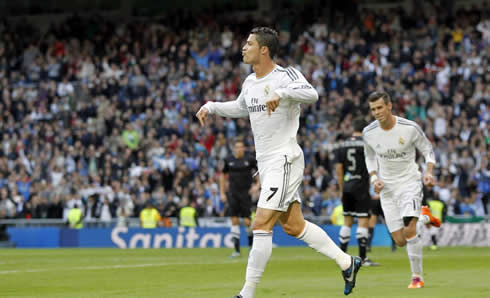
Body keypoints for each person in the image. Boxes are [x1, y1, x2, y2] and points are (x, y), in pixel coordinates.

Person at [196, 27, 361, 298]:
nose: (243, 47)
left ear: (264, 49)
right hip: (268, 163)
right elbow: (240, 108)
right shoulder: (250, 82)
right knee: (294, 225)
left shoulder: (286, 75)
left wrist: (282, 94)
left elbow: (312, 94)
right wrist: (212, 106)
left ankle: (246, 293)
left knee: (260, 224)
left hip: (284, 158)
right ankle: (347, 262)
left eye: (249, 43)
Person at [362, 91, 441, 289]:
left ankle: (417, 277)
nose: (377, 112)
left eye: (380, 107)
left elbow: (428, 150)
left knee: (410, 230)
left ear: (389, 106)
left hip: (409, 183)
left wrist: (429, 172)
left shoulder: (409, 128)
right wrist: (374, 178)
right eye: (373, 109)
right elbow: (369, 156)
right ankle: (423, 216)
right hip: (387, 189)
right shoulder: (369, 132)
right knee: (400, 240)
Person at [335, 118, 379, 266]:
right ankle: (363, 258)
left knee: (347, 221)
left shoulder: (343, 145)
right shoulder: (366, 145)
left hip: (347, 186)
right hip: (361, 186)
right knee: (363, 222)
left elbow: (339, 169)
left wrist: (341, 188)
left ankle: (342, 257)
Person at [220, 138, 257, 257]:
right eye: (237, 147)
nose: (239, 149)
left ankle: (252, 247)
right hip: (233, 193)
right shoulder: (228, 160)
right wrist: (222, 192)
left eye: (241, 147)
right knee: (234, 220)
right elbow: (222, 176)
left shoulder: (250, 160)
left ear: (244, 148)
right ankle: (236, 250)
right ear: (234, 149)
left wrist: (257, 185)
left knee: (247, 221)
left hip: (246, 193)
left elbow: (259, 171)